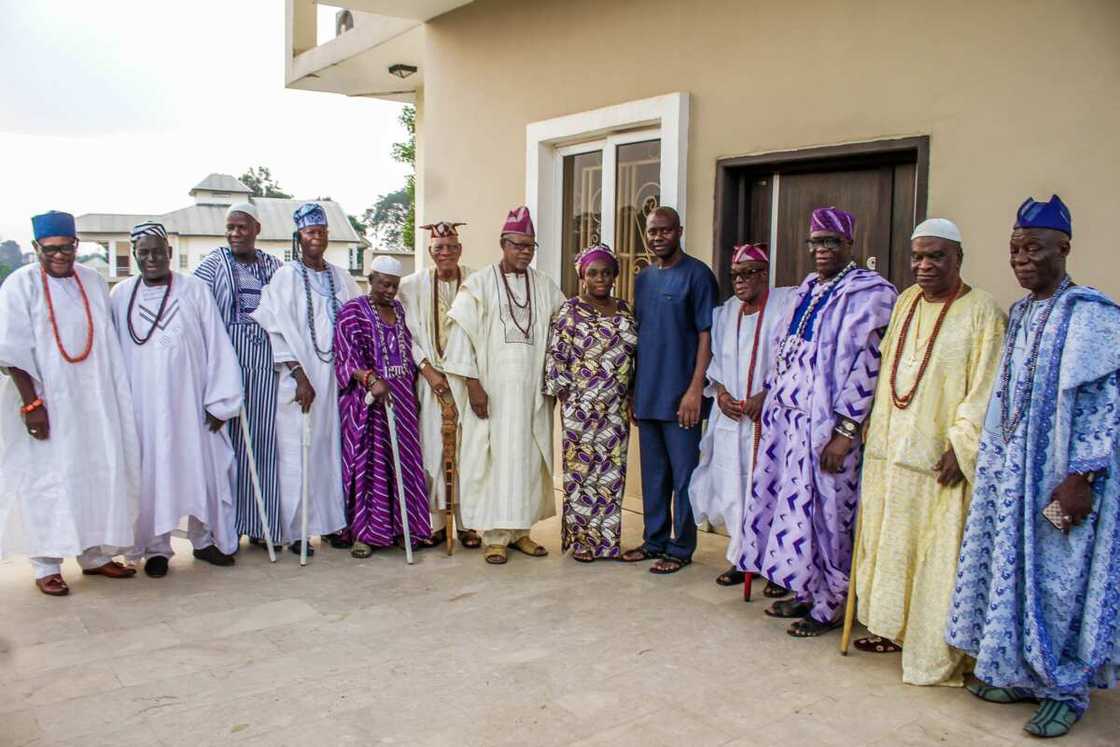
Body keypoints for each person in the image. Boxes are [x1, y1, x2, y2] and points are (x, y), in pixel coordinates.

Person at [946, 195, 1120, 738]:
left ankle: (1066, 690)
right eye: (1015, 250)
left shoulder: (1091, 315)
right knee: (1015, 574)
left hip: (1062, 477)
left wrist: (1081, 477)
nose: (1021, 260)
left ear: (1063, 248)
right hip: (1012, 473)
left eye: (1034, 249)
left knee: (1059, 584)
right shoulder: (1021, 313)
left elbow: (1104, 403)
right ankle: (1023, 675)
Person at [852, 218, 1005, 683]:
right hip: (892, 455)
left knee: (936, 555)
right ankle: (892, 630)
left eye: (936, 256)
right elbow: (890, 374)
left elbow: (988, 388)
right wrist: (874, 427)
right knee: (892, 546)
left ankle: (935, 650)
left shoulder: (983, 312)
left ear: (958, 258)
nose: (924, 265)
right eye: (917, 256)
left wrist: (962, 445)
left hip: (941, 462)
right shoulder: (906, 301)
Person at [739, 207, 897, 636]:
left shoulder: (871, 294)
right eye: (816, 242)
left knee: (830, 516)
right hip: (788, 428)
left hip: (829, 429)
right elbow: (783, 351)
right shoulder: (807, 290)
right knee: (796, 515)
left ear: (849, 244)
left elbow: (869, 367)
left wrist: (845, 432)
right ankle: (806, 590)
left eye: (831, 242)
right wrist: (769, 395)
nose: (822, 250)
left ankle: (832, 604)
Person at [0, 210, 140, 595]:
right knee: (49, 478)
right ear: (36, 248)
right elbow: (11, 352)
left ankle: (93, 556)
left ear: (76, 245)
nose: (60, 255)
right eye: (51, 249)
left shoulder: (92, 281)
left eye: (67, 247)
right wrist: (32, 405)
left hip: (94, 401)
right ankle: (46, 564)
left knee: (96, 473)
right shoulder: (20, 284)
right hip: (47, 402)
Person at [111, 221, 245, 576]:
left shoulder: (194, 289)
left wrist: (221, 402)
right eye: (143, 253)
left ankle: (204, 541)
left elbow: (217, 343)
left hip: (192, 405)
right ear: (134, 255)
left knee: (202, 471)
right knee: (151, 477)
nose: (151, 258)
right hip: (143, 409)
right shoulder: (121, 294)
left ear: (169, 252)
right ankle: (155, 548)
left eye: (158, 251)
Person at [442, 206, 566, 565]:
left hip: (532, 394)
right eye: (518, 245)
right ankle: (495, 536)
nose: (525, 252)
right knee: (492, 461)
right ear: (503, 244)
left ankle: (521, 532)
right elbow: (461, 336)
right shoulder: (479, 284)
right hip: (491, 393)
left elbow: (564, 328)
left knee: (527, 460)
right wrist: (473, 385)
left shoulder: (544, 285)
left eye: (530, 246)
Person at [252, 203, 359, 555]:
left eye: (322, 232)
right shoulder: (286, 276)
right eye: (311, 232)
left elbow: (358, 319)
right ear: (299, 236)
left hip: (335, 379)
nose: (317, 238)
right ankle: (297, 531)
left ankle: (331, 524)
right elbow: (275, 328)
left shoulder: (341, 277)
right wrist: (299, 376)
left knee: (331, 452)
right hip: (300, 380)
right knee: (299, 453)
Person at [688, 243, 795, 587]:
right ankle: (741, 557)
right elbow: (716, 362)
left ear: (764, 274)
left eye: (748, 273)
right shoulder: (725, 313)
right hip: (732, 420)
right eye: (734, 275)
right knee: (732, 487)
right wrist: (720, 394)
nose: (740, 281)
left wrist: (766, 396)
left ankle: (773, 564)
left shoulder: (786, 306)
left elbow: (793, 362)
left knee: (771, 488)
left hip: (769, 419)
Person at [622, 206, 717, 574]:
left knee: (684, 477)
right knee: (654, 476)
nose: (658, 237)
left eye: (665, 230)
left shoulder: (698, 275)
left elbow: (707, 335)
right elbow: (639, 337)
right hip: (648, 394)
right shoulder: (644, 279)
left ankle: (680, 548)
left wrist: (695, 390)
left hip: (682, 399)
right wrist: (634, 390)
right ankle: (654, 541)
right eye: (652, 231)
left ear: (679, 231)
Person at [195, 203, 284, 549]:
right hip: (224, 369)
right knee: (224, 451)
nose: (235, 234)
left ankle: (262, 525)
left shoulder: (274, 266)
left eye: (242, 227)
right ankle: (224, 531)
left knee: (263, 446)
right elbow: (196, 310)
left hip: (266, 369)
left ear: (257, 229)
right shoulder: (213, 265)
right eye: (230, 227)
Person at [544, 244, 638, 561]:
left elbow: (636, 357)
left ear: (615, 276)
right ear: (582, 276)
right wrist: (569, 401)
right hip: (580, 408)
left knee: (612, 473)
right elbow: (557, 359)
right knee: (582, 475)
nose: (600, 278)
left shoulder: (625, 310)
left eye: (606, 273)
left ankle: (608, 542)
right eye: (593, 273)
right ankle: (583, 541)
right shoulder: (569, 311)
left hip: (615, 408)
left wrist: (632, 394)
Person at [334, 256, 432, 557]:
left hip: (401, 399)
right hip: (368, 401)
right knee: (370, 465)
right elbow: (345, 357)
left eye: (394, 286)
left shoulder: (400, 311)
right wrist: (370, 378)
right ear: (371, 280)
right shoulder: (352, 311)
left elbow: (407, 352)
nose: (390, 291)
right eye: (384, 284)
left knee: (404, 463)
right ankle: (365, 534)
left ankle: (404, 528)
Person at [398, 221, 480, 549]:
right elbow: (405, 333)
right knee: (433, 450)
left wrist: (471, 375)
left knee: (468, 452)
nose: (445, 253)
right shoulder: (410, 285)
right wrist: (427, 370)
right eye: (438, 248)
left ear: (460, 250)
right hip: (430, 379)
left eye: (451, 247)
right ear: (430, 252)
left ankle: (468, 524)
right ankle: (436, 524)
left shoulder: (476, 281)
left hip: (468, 378)